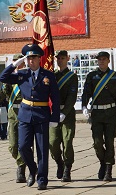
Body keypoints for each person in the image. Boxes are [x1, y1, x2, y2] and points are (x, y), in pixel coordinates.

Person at [0, 44, 60, 190]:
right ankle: (33, 169)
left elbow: (55, 97)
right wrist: (15, 64)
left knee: (42, 149)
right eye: (29, 58)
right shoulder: (22, 74)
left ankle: (42, 179)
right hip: (25, 115)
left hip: (42, 114)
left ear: (40, 59)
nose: (31, 61)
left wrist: (55, 117)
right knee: (23, 146)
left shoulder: (48, 75)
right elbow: (3, 77)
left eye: (34, 58)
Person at [82, 51, 116, 182]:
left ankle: (108, 169)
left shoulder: (115, 76)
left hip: (111, 113)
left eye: (104, 59)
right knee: (97, 143)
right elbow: (86, 93)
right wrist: (84, 106)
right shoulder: (92, 76)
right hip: (96, 114)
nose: (101, 61)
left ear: (108, 61)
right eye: (99, 59)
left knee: (109, 142)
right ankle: (103, 161)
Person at [0, 54, 27, 183]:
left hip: (25, 111)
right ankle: (21, 162)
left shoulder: (26, 76)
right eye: (14, 62)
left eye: (19, 62)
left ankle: (21, 168)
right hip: (13, 113)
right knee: (12, 145)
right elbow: (3, 91)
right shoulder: (10, 78)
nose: (17, 64)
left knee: (23, 144)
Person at [49, 50, 78, 182]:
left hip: (67, 114)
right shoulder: (51, 76)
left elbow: (72, 98)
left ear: (67, 59)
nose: (60, 60)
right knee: (53, 142)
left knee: (67, 142)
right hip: (53, 113)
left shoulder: (72, 77)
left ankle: (67, 168)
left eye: (62, 58)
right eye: (58, 58)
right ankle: (59, 162)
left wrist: (64, 112)